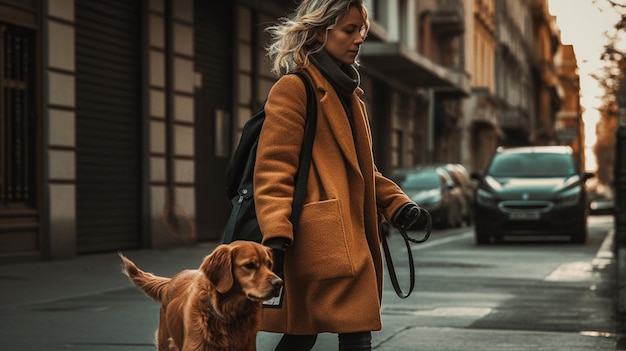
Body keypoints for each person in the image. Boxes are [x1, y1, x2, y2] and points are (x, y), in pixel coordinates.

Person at [254, 0, 422, 350]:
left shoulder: (351, 97)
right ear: (320, 31)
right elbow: (273, 168)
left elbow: (363, 170)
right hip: (314, 238)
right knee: (304, 334)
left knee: (347, 331)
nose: (359, 39)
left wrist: (397, 205)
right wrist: (276, 232)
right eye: (349, 30)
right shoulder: (295, 88)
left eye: (361, 30)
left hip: (351, 235)